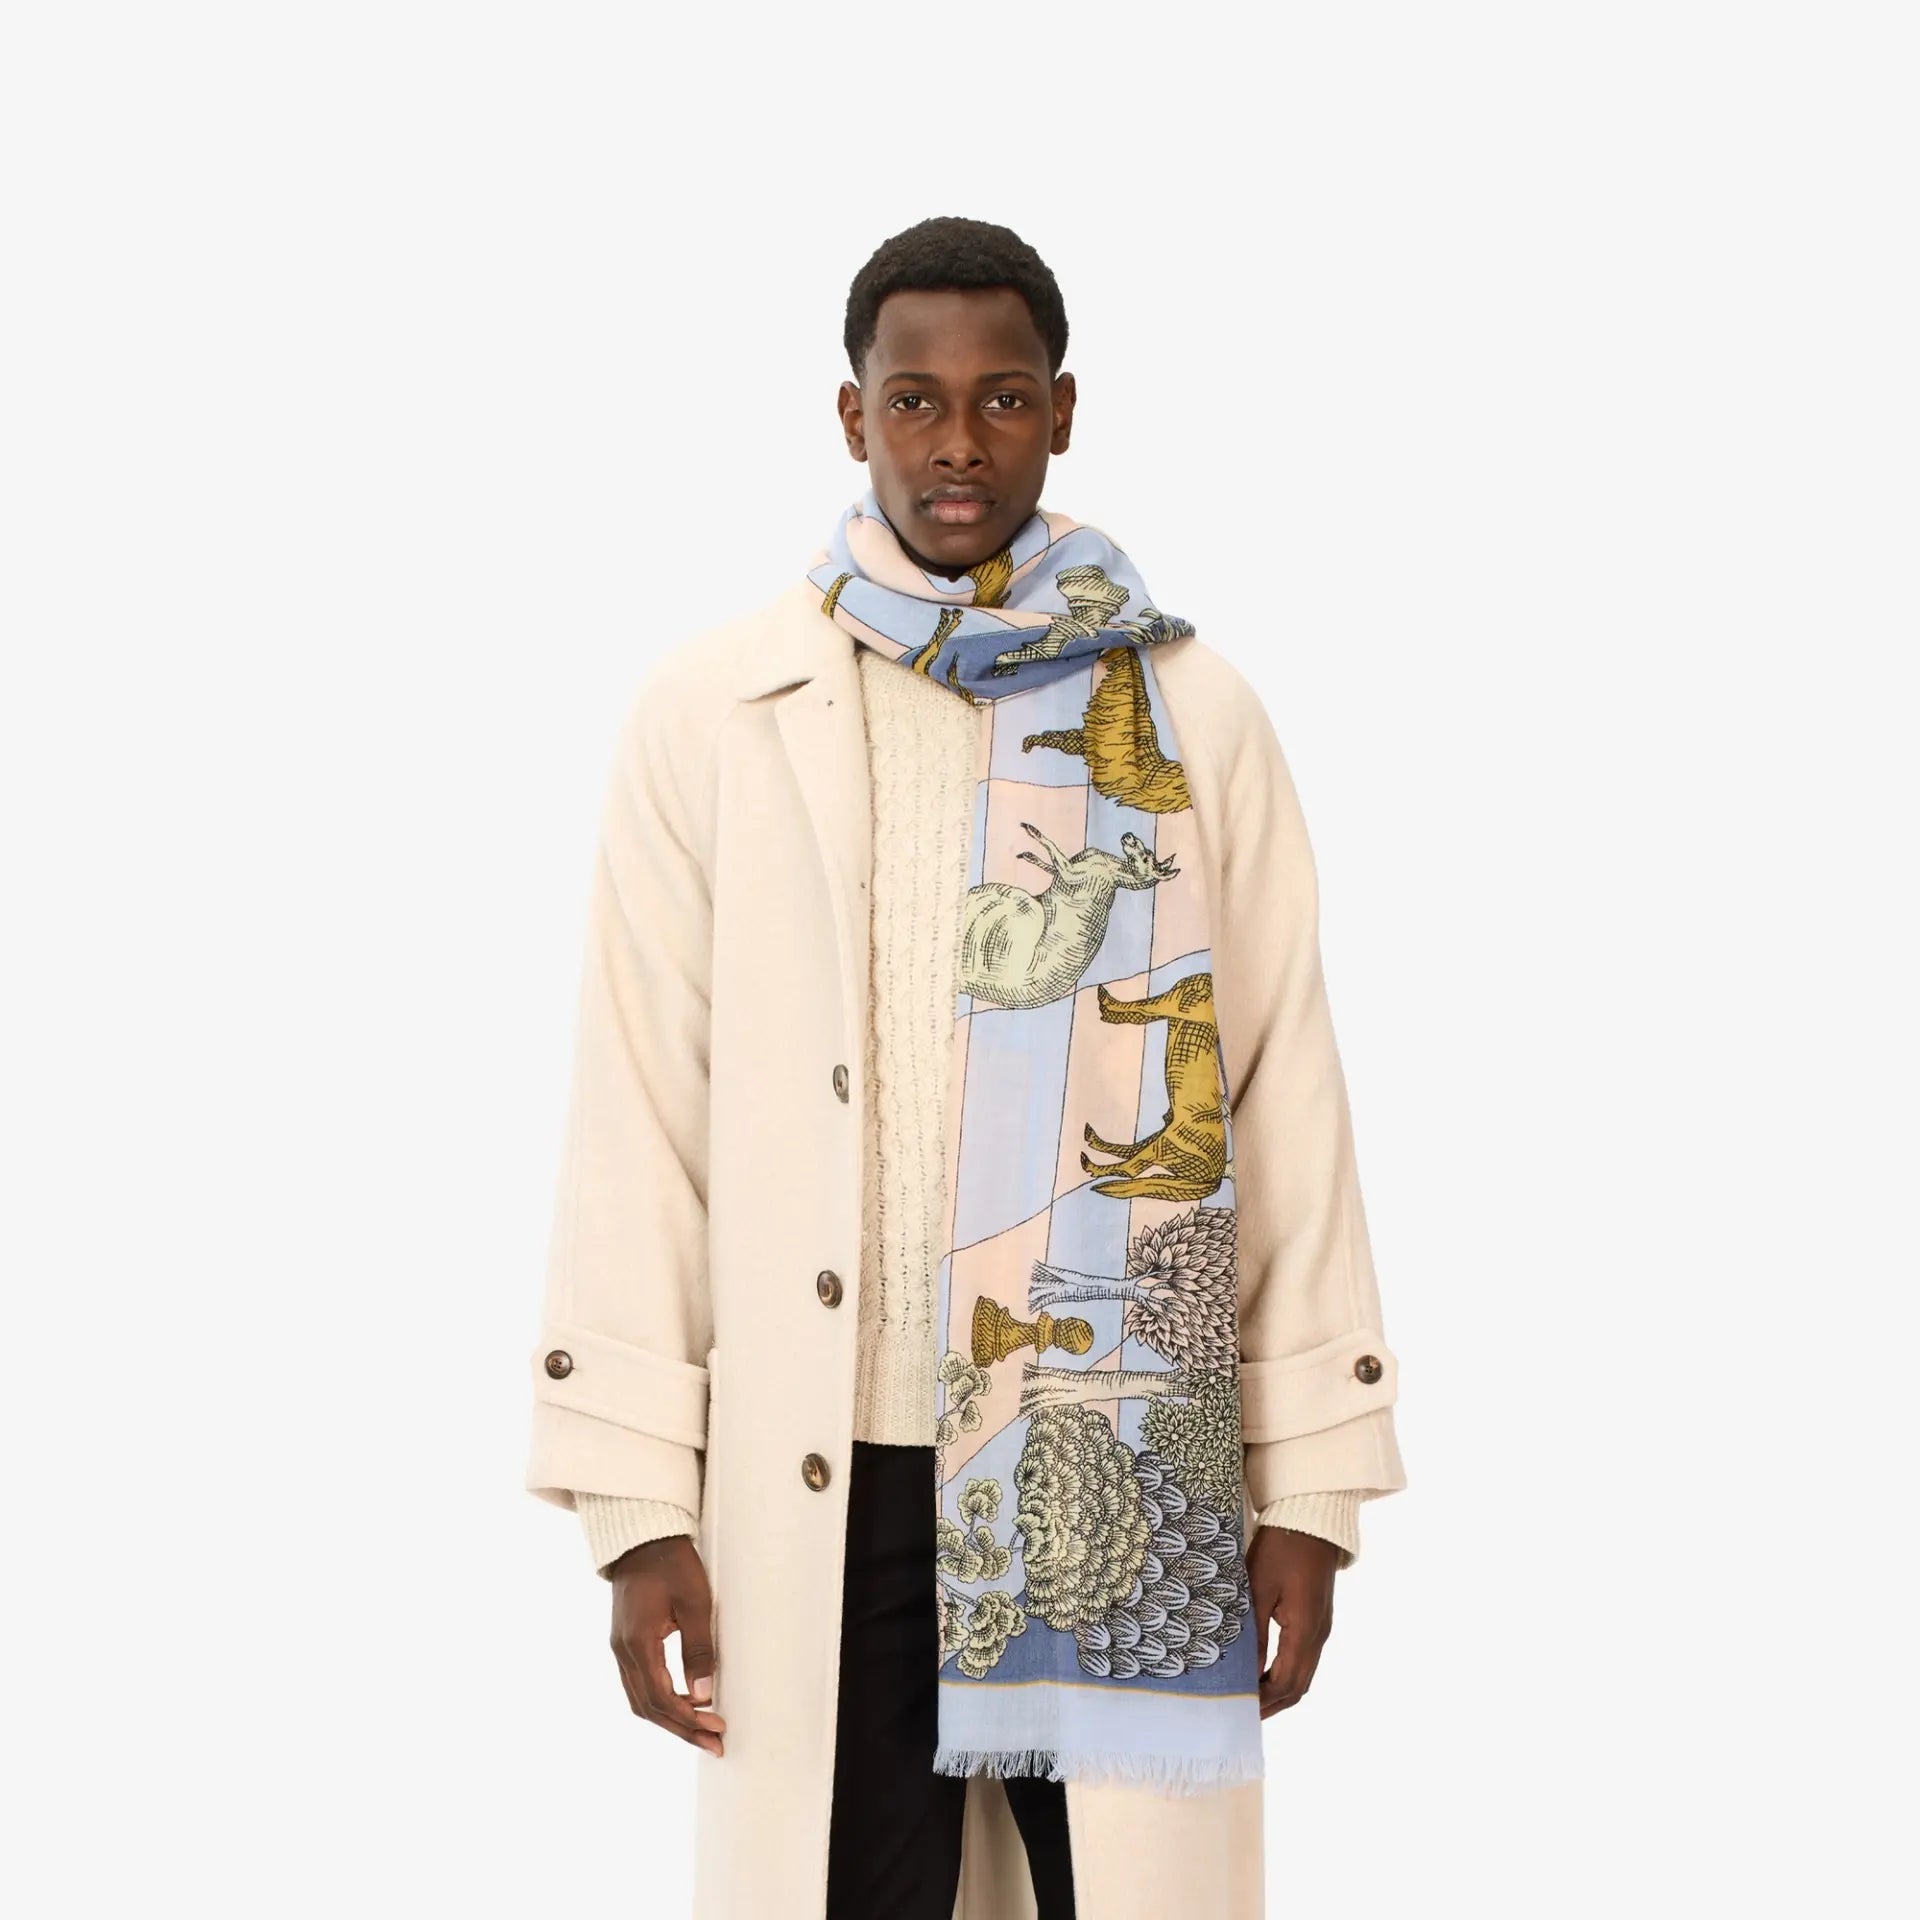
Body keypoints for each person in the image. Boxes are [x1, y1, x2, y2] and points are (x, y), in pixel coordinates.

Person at [524, 216, 1405, 1920]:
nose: (957, 442)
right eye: (915, 400)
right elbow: (639, 1111)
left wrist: (1310, 1482)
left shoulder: (1194, 711)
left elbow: (1283, 1094)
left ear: (1061, 412)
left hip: (1120, 1467)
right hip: (831, 1465)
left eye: (1002, 398)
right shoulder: (715, 713)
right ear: (852, 416)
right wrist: (632, 1500)